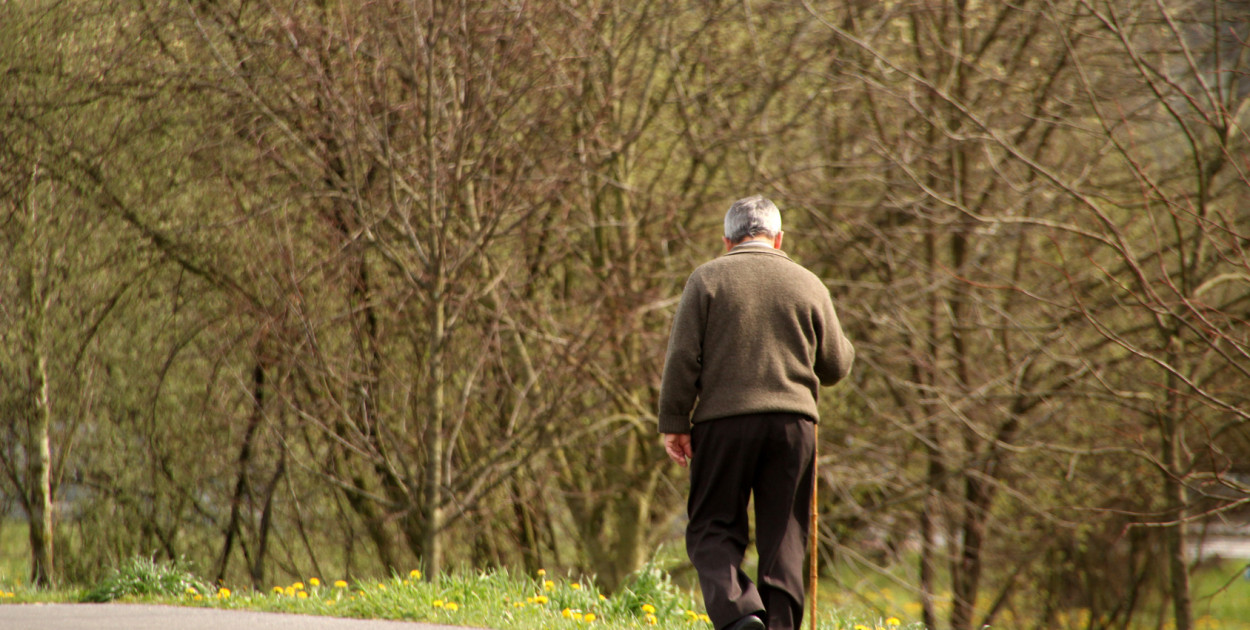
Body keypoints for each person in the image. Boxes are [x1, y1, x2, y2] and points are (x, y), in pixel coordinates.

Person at [658, 195, 855, 630]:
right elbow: (836, 366)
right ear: (779, 237)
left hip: (721, 423)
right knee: (784, 535)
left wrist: (674, 421)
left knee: (713, 527)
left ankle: (740, 614)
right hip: (793, 426)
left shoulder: (706, 280)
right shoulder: (808, 283)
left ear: (727, 241)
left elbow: (682, 358)